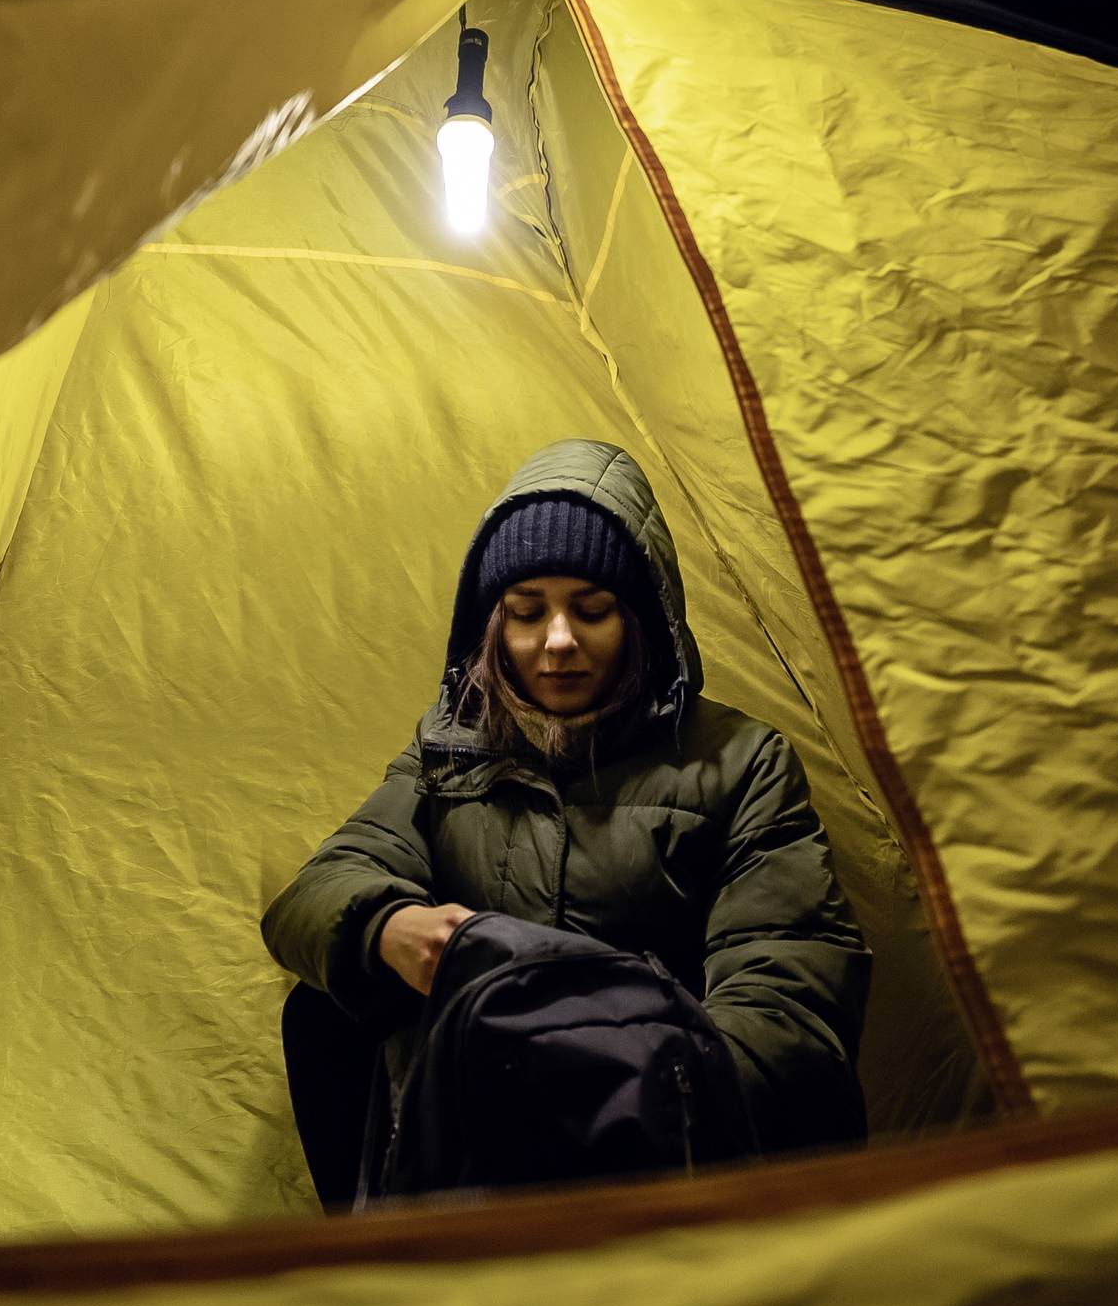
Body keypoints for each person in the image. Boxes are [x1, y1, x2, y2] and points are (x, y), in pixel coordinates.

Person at [262, 437, 870, 1203]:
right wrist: (388, 929)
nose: (558, 641)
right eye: (526, 612)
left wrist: (638, 1083)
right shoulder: (451, 749)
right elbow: (314, 894)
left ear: (641, 620)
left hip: (669, 1130)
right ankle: (393, 1266)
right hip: (490, 1116)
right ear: (495, 627)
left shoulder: (740, 763)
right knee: (324, 1012)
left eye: (591, 609)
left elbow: (791, 990)